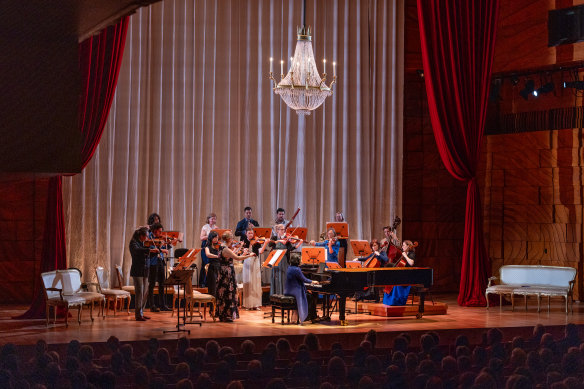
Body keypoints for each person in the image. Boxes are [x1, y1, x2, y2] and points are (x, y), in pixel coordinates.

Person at [215, 231, 256, 322]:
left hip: (224, 272)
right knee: (227, 293)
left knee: (225, 293)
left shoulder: (223, 246)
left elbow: (232, 255)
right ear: (229, 239)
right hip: (226, 273)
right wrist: (250, 255)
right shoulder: (225, 249)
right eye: (232, 237)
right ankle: (226, 315)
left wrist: (240, 247)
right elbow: (237, 258)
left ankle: (224, 315)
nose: (233, 239)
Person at [129, 227, 158, 321]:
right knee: (139, 293)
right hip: (137, 271)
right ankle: (138, 314)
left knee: (145, 292)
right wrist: (149, 250)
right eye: (146, 236)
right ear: (141, 236)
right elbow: (137, 251)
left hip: (145, 270)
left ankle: (141, 312)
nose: (147, 238)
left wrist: (155, 252)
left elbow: (147, 254)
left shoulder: (143, 243)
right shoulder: (133, 243)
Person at [270, 224, 303, 295]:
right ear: (277, 230)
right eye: (281, 229)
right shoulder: (274, 237)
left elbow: (290, 249)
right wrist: (279, 241)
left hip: (284, 259)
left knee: (284, 276)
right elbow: (269, 244)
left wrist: (298, 244)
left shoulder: (286, 238)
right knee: (276, 277)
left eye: (284, 229)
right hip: (276, 259)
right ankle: (276, 294)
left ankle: (283, 294)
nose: (283, 231)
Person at [284, 254, 319, 323]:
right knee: (310, 297)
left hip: (288, 290)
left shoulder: (289, 268)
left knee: (309, 295)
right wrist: (313, 281)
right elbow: (304, 279)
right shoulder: (297, 269)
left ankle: (310, 317)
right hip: (294, 291)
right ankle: (309, 317)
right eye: (300, 260)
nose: (301, 261)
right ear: (297, 261)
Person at [147, 222, 172, 312]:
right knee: (152, 284)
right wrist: (162, 249)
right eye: (160, 232)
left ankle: (162, 305)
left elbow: (165, 247)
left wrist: (169, 243)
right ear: (155, 231)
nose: (161, 234)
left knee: (162, 283)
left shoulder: (159, 238)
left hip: (160, 261)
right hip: (153, 262)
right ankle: (152, 305)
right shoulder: (149, 237)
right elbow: (151, 249)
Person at [241, 229, 269, 310]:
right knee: (248, 281)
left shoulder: (256, 242)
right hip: (247, 261)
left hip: (256, 261)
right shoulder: (244, 241)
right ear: (246, 233)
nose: (250, 234)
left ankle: (256, 304)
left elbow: (260, 251)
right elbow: (243, 253)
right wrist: (250, 245)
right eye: (249, 233)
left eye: (252, 233)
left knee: (256, 281)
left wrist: (265, 243)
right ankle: (247, 304)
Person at [383, 240, 416, 306]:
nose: (402, 247)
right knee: (390, 282)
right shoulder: (405, 253)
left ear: (408, 246)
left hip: (408, 276)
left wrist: (405, 256)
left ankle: (395, 301)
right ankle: (388, 301)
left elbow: (411, 263)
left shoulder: (411, 254)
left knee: (396, 283)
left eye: (403, 245)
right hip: (402, 275)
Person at [200, 213, 219, 286]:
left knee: (212, 262)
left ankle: (212, 281)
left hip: (213, 246)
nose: (213, 220)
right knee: (205, 263)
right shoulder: (205, 227)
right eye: (212, 219)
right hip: (206, 245)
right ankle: (203, 282)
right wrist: (210, 235)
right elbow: (201, 238)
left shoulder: (216, 227)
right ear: (208, 219)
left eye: (214, 219)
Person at [204, 231, 221, 297]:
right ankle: (212, 304)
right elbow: (208, 254)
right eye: (215, 237)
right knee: (213, 287)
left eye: (217, 237)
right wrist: (217, 256)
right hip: (212, 268)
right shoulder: (207, 247)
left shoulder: (219, 246)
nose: (217, 239)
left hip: (219, 267)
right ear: (211, 238)